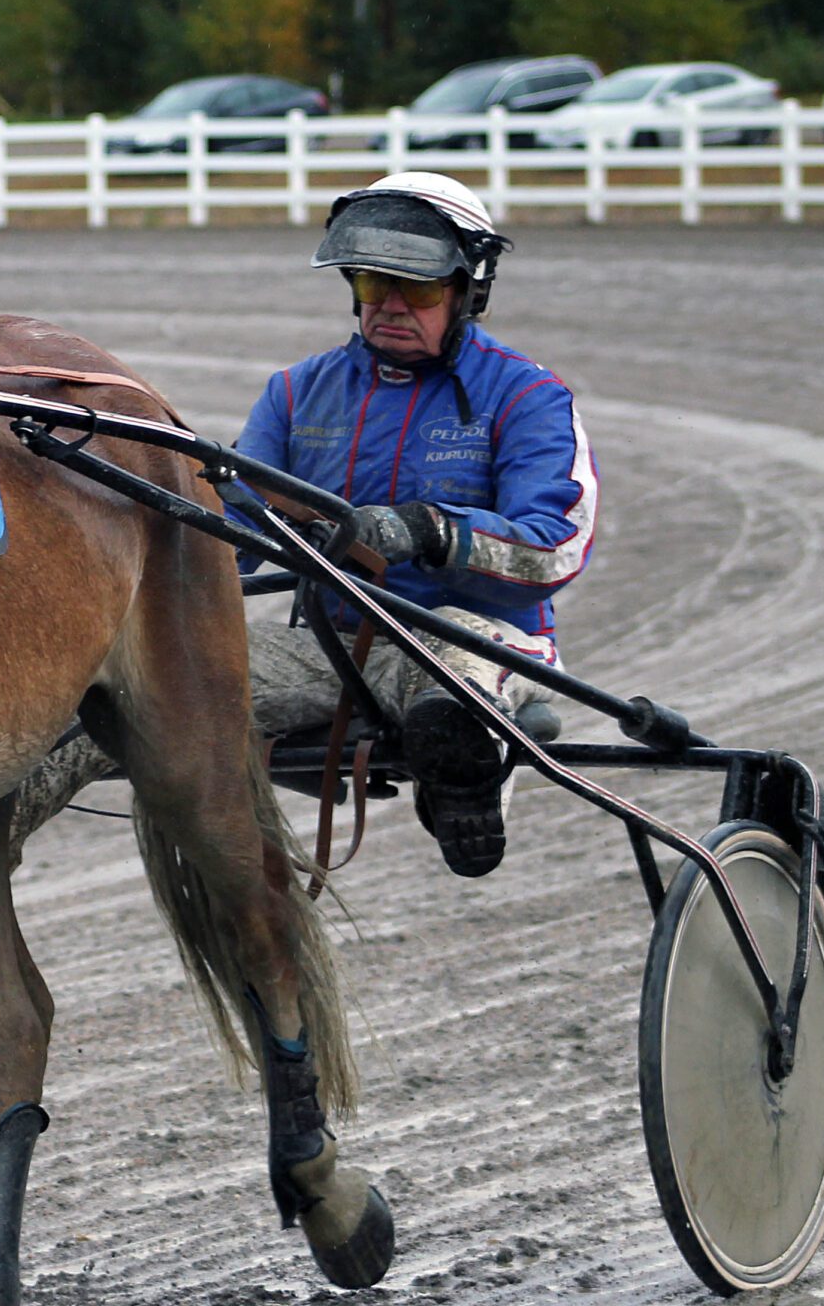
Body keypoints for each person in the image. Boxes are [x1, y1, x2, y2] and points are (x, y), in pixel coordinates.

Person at [235, 171, 599, 878]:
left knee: (447, 692)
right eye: (375, 283)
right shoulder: (293, 393)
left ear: (470, 290)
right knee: (141, 678)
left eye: (420, 290)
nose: (392, 306)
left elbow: (557, 547)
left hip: (479, 645)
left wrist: (431, 530)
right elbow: (223, 532)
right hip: (336, 651)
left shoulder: (527, 396)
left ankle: (461, 770)